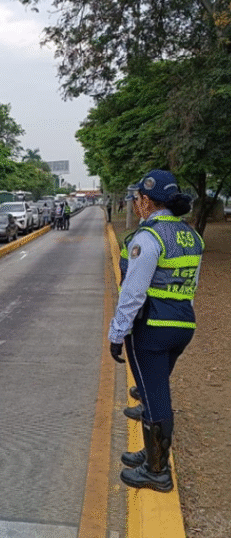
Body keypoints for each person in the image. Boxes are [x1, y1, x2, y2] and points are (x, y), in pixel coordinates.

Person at [107, 169, 201, 493]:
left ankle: (157, 471)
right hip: (182, 324)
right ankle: (151, 454)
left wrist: (117, 333)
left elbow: (133, 293)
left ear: (147, 201)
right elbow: (190, 286)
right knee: (154, 390)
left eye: (137, 198)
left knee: (154, 397)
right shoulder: (191, 236)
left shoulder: (149, 237)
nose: (135, 203)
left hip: (151, 329)